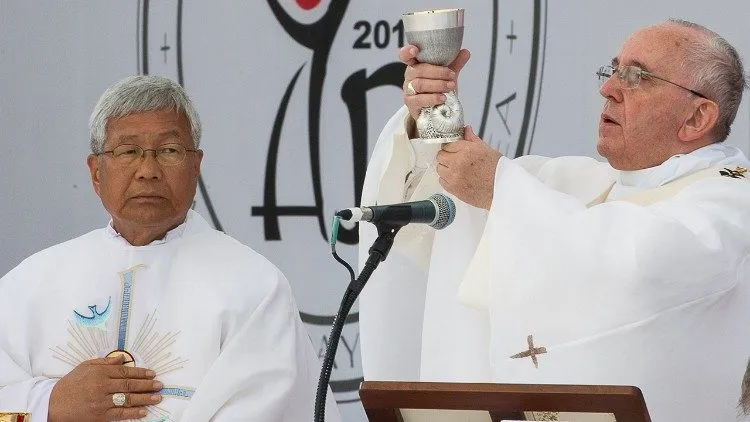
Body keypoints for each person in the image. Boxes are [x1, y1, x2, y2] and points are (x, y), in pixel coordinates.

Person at [358, 18, 750, 421]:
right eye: (613, 70)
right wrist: (431, 115)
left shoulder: (732, 202)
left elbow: (642, 266)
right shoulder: (574, 183)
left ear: (697, 117)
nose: (608, 89)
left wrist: (500, 189)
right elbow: (445, 203)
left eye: (637, 77)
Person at [0, 75, 340, 422]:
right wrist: (49, 404)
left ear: (196, 166)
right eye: (128, 151)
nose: (148, 170)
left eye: (169, 151)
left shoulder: (255, 289)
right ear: (96, 172)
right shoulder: (31, 283)